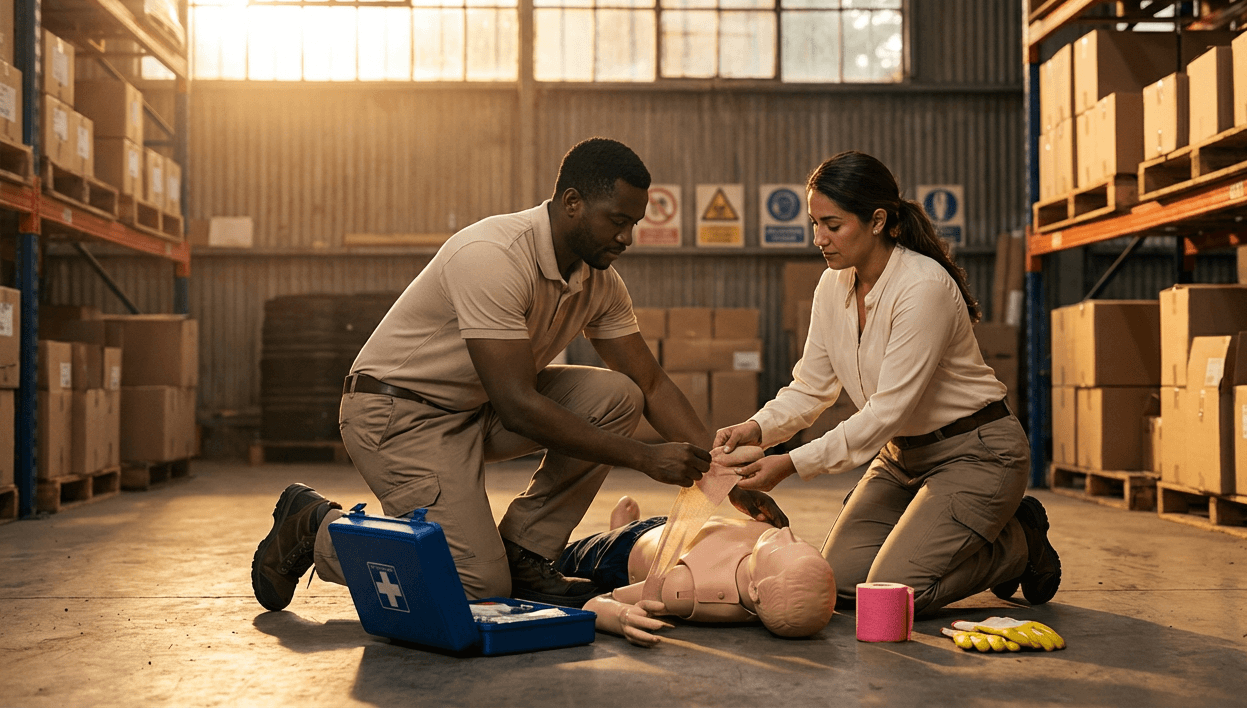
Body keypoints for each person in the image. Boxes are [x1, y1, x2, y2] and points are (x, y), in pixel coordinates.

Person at [251, 138, 784, 612]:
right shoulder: (493, 256)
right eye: (616, 221)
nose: (627, 237)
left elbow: (649, 385)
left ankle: (526, 552)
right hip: (399, 414)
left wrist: (722, 481)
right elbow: (516, 403)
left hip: (473, 408)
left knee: (618, 395)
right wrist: (645, 458)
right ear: (572, 202)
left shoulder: (599, 282)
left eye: (634, 224)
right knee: (474, 585)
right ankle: (316, 527)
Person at [713, 151, 1060, 617]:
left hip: (978, 452)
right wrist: (756, 429)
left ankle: (1020, 541)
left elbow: (885, 412)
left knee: (894, 597)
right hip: (903, 457)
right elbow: (811, 387)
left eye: (832, 225)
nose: (819, 239)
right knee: (837, 587)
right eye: (814, 224)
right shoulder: (832, 287)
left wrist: (790, 463)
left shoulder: (922, 287)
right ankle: (976, 532)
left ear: (877, 220)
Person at [561, 497, 836, 646]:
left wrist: (619, 618)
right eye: (800, 543)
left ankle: (614, 532)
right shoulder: (776, 575)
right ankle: (618, 528)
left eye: (783, 549)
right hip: (676, 530)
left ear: (755, 589)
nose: (787, 533)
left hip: (624, 551)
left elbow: (599, 602)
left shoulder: (686, 588)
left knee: (558, 557)